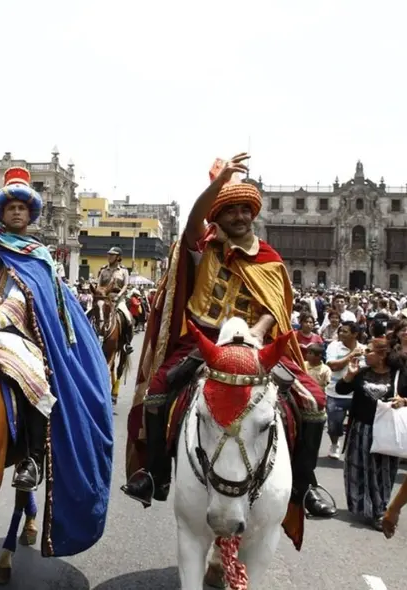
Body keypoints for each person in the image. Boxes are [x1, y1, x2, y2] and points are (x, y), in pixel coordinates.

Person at [123, 153, 336, 547]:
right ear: (217, 217)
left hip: (257, 346)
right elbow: (192, 222)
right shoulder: (203, 249)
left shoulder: (270, 259)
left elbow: (276, 310)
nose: (239, 216)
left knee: (313, 402)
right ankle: (154, 473)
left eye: (245, 209)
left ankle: (304, 487)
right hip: (203, 343)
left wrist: (254, 334)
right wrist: (219, 183)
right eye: (230, 210)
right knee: (157, 392)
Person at [0, 163, 112, 556]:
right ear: (1, 212)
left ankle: (29, 455)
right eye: (10, 206)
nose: (16, 212)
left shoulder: (39, 255)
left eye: (22, 208)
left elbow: (25, 298)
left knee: (31, 377)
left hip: (11, 332)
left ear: (30, 215)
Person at [337, 337, 406, 531]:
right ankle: (364, 507)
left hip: (386, 431)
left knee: (382, 473)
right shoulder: (361, 372)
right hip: (361, 430)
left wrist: (404, 401)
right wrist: (349, 375)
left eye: (369, 351)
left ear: (382, 355)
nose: (364, 354)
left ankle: (381, 511)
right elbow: (340, 389)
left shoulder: (399, 375)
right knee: (359, 469)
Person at [324, 321, 366, 459]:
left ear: (355, 334)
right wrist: (351, 355)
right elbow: (333, 366)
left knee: (358, 427)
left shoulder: (365, 349)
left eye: (345, 331)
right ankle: (335, 444)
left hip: (357, 395)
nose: (341, 334)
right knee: (334, 425)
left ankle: (353, 450)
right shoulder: (334, 346)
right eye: (340, 331)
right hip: (335, 393)